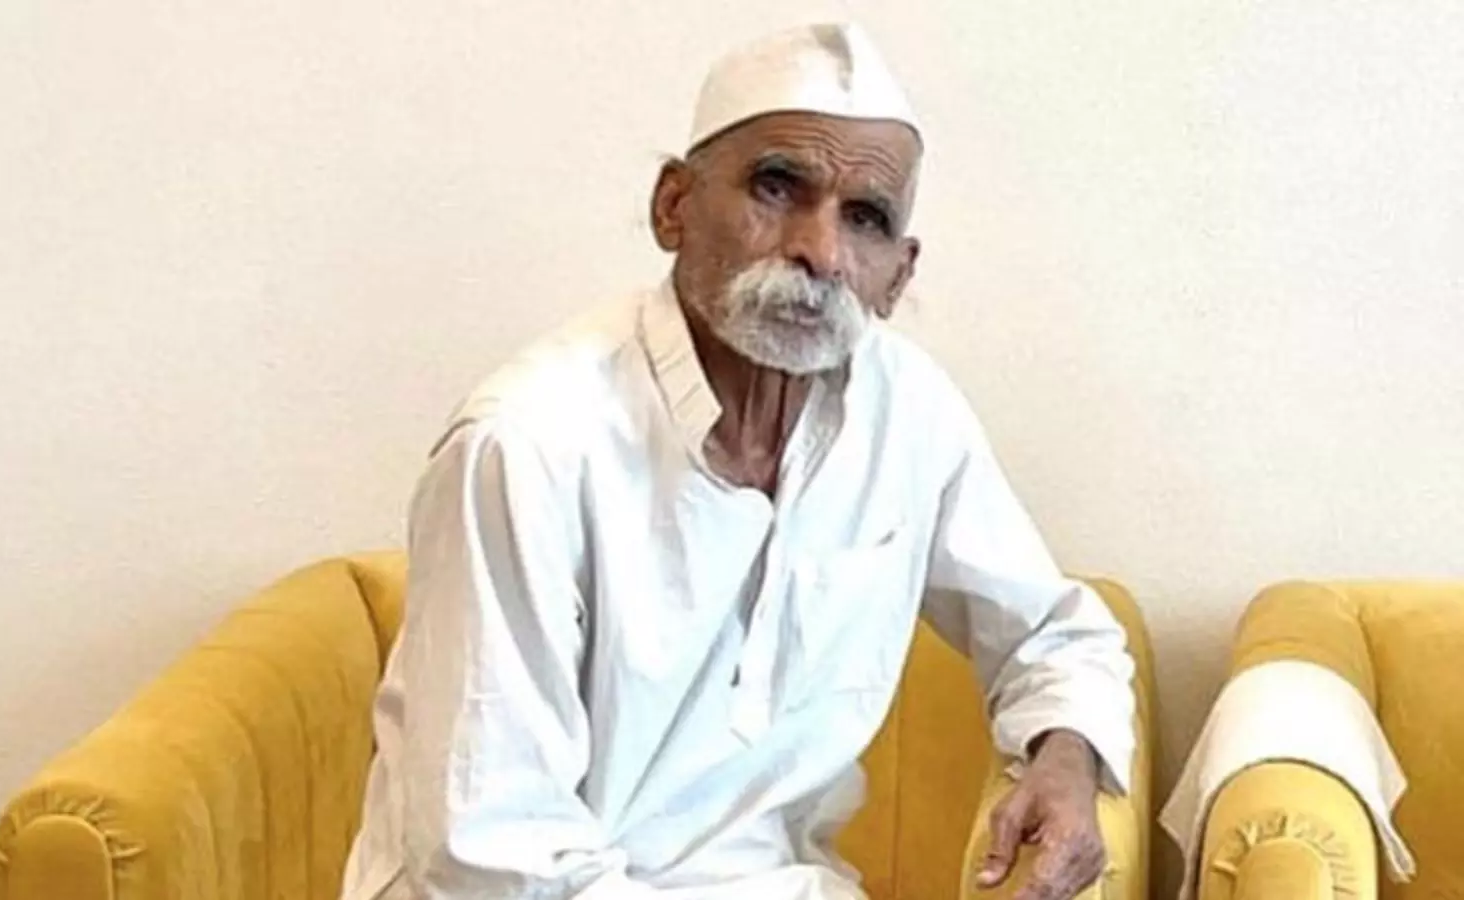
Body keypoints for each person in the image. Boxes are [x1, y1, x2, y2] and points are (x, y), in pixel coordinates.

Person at [341, 22, 1135, 900]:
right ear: (672, 206)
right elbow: (489, 854)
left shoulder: (908, 412)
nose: (819, 252)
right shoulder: (527, 445)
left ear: (897, 276)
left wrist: (1065, 755)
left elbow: (1055, 633)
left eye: (864, 218)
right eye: (777, 187)